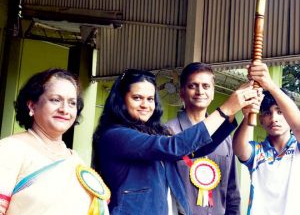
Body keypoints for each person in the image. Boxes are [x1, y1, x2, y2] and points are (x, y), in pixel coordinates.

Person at [92, 68, 258, 215]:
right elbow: (174, 147)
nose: (145, 105)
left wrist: (233, 111)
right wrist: (227, 109)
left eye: (150, 99)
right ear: (121, 100)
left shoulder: (153, 133)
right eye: (137, 98)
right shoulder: (115, 135)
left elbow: (197, 149)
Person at [0, 69, 110, 215]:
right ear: (32, 106)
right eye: (55, 100)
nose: (65, 109)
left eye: (72, 103)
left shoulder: (75, 161)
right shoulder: (11, 149)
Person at [166, 62, 240, 215]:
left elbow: (232, 191)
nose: (200, 91)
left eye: (206, 86)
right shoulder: (168, 133)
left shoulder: (224, 136)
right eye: (193, 86)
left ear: (213, 93)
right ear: (181, 93)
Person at [233, 62, 300, 215]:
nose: (274, 118)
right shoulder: (257, 152)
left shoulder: (297, 146)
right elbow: (238, 148)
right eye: (267, 113)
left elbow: (298, 127)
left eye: (280, 112)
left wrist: (270, 85)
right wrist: (248, 114)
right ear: (261, 120)